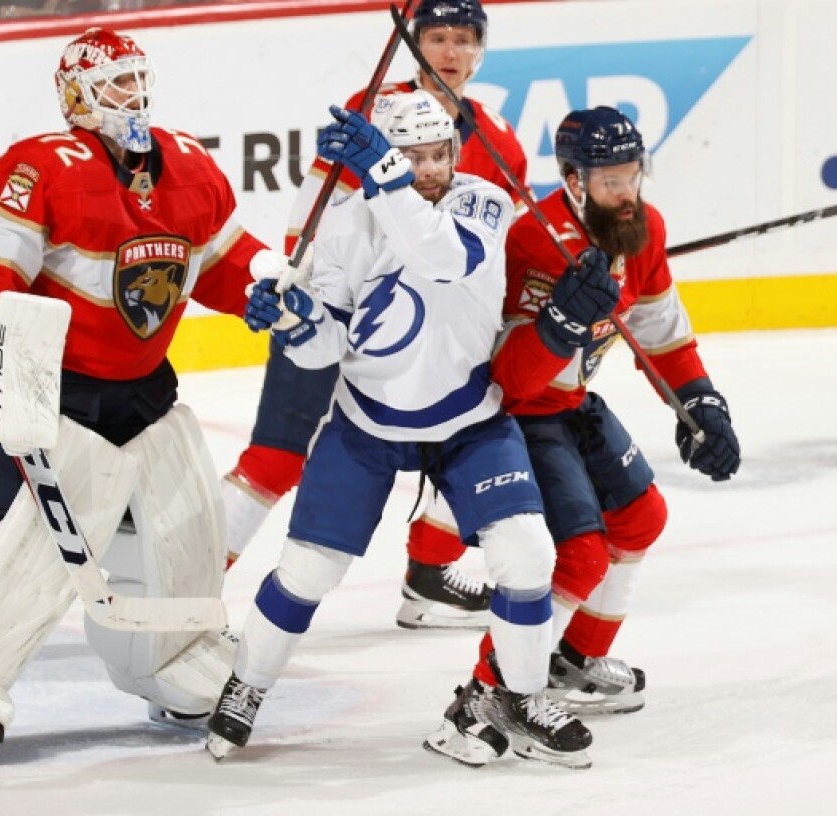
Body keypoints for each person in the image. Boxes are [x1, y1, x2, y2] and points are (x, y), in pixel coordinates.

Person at [0, 26, 289, 764]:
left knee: (185, 530)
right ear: (77, 95)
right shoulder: (43, 165)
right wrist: (8, 363)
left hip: (147, 391)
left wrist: (258, 287)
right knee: (42, 550)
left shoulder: (188, 162)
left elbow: (218, 259)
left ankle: (172, 664)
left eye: (138, 78)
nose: (131, 94)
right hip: (65, 396)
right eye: (114, 82)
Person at [206, 91, 591, 769]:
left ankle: (523, 696)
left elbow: (442, 255)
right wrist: (292, 320)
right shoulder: (344, 226)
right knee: (307, 570)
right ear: (386, 157)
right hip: (367, 423)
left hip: (470, 420)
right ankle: (246, 685)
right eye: (413, 157)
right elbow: (326, 348)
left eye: (439, 153)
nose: (431, 168)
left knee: (528, 552)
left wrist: (386, 174)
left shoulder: (483, 203)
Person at [220, 0, 527, 632]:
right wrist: (303, 301)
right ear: (414, 45)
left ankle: (429, 577)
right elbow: (314, 219)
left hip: (434, 344)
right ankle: (185, 591)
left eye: (463, 38)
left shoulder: (499, 139)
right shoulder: (374, 112)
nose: (449, 52)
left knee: (474, 437)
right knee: (276, 457)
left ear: (481, 50)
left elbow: (503, 253)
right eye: (435, 37)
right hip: (340, 316)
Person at [434, 106, 742, 722]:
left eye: (633, 176)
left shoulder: (644, 229)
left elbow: (660, 330)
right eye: (611, 181)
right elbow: (507, 379)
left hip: (571, 405)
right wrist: (561, 322)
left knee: (641, 517)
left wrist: (701, 404)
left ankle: (570, 662)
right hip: (513, 418)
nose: (627, 194)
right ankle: (491, 693)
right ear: (574, 181)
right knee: (580, 556)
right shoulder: (532, 241)